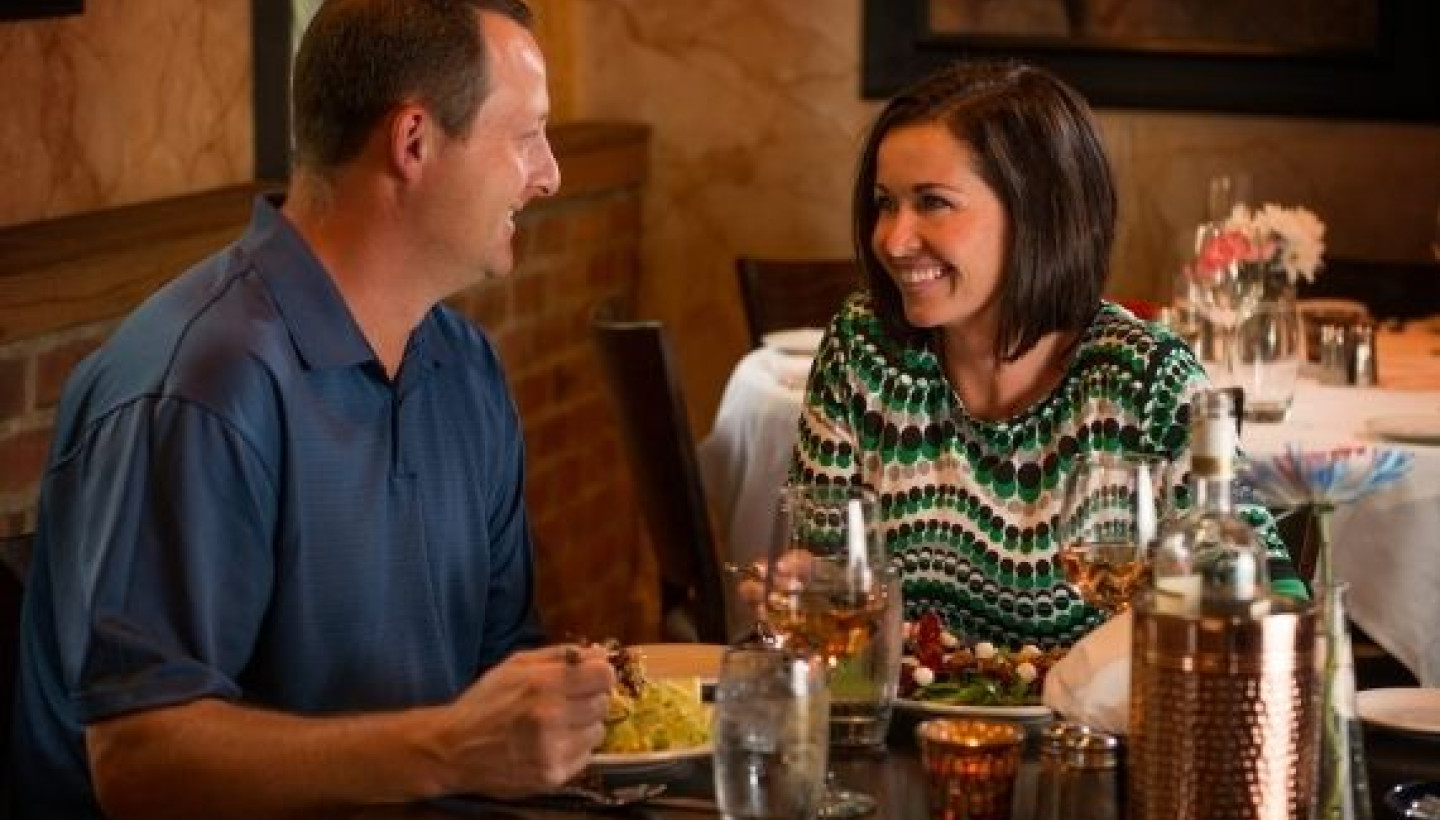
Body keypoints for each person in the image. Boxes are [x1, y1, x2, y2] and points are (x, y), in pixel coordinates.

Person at [10, 2, 616, 818]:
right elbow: (136, 763)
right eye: (525, 136)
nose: (549, 174)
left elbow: (496, 671)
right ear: (414, 142)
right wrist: (447, 749)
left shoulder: (467, 369)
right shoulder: (200, 386)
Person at [790, 60, 1306, 649]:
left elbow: (1273, 604)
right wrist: (803, 588)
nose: (894, 238)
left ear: (1037, 210)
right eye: (885, 203)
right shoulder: (863, 349)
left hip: (1092, 737)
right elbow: (822, 566)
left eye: (933, 202)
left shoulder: (1146, 379)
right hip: (906, 732)